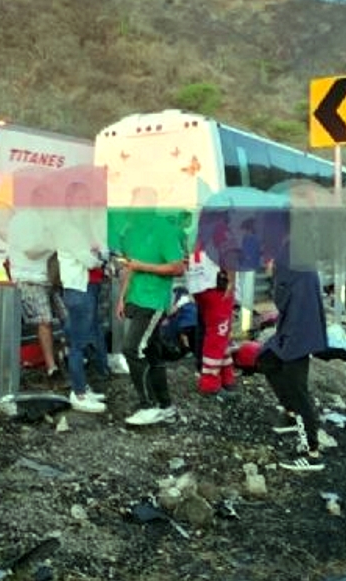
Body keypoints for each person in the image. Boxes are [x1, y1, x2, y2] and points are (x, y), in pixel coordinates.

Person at [115, 190, 186, 426]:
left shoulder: (164, 230)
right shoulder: (132, 231)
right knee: (153, 354)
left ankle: (149, 406)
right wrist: (121, 298)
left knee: (132, 348)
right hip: (135, 298)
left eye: (141, 206)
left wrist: (144, 266)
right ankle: (166, 406)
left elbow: (178, 267)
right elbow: (130, 267)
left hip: (153, 301)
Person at [257, 245, 329, 470]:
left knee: (297, 388)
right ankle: (290, 413)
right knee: (267, 358)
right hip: (293, 326)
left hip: (299, 330)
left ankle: (312, 452)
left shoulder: (287, 259)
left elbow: (284, 294)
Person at [55, 181, 108, 413]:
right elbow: (90, 260)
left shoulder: (81, 227)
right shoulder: (69, 228)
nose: (84, 205)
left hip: (84, 287)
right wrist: (98, 256)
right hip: (78, 289)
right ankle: (77, 392)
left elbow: (101, 250)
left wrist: (98, 253)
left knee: (81, 341)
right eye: (80, 200)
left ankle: (83, 387)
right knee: (77, 345)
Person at [7, 185, 64, 382]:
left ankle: (64, 357)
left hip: (47, 279)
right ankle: (52, 367)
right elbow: (30, 249)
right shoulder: (23, 220)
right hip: (29, 278)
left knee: (66, 318)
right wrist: (55, 242)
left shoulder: (45, 219)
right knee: (44, 321)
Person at [189, 218, 238, 394]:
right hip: (218, 287)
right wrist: (232, 281)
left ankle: (227, 376)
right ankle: (209, 382)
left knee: (219, 333)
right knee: (218, 335)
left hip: (201, 287)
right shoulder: (223, 230)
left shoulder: (201, 232)